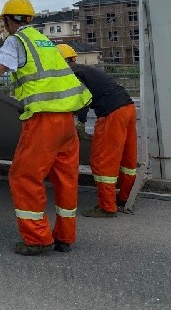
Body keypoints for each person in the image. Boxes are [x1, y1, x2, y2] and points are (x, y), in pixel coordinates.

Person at [0, 0, 91, 255]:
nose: (4, 26)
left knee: (24, 177)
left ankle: (37, 238)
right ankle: (65, 237)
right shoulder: (45, 42)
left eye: (4, 21)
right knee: (65, 179)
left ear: (9, 20)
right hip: (67, 120)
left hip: (44, 120)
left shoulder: (17, 40)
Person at [57, 44, 138, 217]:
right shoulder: (86, 69)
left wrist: (80, 122)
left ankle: (107, 207)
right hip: (127, 107)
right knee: (127, 157)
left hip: (111, 113)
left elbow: (83, 98)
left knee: (103, 160)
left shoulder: (72, 73)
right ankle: (124, 198)